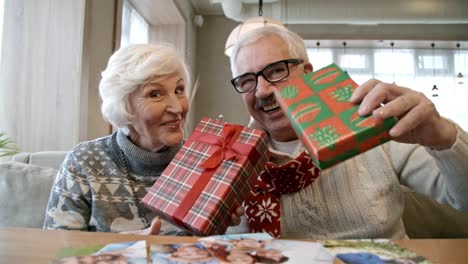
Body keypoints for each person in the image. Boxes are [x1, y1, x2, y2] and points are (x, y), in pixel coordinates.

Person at [226, 26, 468, 239]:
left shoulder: (372, 124)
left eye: (276, 71)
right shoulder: (230, 159)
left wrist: (443, 137)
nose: (261, 91)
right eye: (247, 80)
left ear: (307, 72)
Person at [43, 43, 190, 234]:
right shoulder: (84, 161)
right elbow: (57, 245)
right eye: (155, 93)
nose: (177, 108)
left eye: (179, 90)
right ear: (123, 105)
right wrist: (128, 247)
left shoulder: (204, 161)